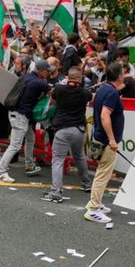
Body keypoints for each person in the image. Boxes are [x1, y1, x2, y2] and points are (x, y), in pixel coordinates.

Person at [0, 59, 54, 183]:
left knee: (30, 138)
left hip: (16, 113)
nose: (49, 73)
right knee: (15, 145)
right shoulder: (39, 82)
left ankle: (29, 164)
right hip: (21, 116)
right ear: (41, 70)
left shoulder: (26, 77)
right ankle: (1, 171)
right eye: (47, 71)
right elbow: (54, 93)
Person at [42, 67, 92, 203]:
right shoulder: (85, 92)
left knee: (58, 160)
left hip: (62, 129)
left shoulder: (59, 89)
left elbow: (52, 97)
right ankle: (86, 183)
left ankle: (56, 191)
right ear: (80, 79)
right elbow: (90, 97)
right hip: (79, 129)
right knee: (79, 156)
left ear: (68, 77)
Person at [84, 62, 125, 223]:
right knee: (103, 173)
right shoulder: (112, 93)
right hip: (107, 140)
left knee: (102, 172)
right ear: (119, 76)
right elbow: (104, 115)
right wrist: (112, 139)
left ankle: (96, 203)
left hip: (101, 136)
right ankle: (93, 208)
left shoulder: (103, 88)